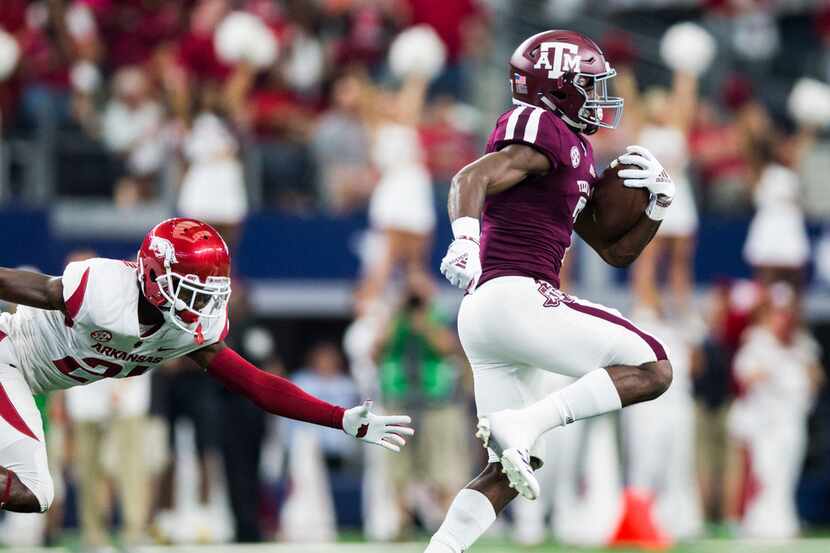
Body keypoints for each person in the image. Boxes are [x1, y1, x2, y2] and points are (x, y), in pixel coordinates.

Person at [427, 30, 676, 553]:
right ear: (556, 87)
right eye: (589, 84)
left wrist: (655, 208)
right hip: (514, 295)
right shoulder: (538, 124)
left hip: (491, 318)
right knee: (653, 366)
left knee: (507, 471)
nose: (601, 95)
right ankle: (529, 420)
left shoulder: (573, 150)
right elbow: (469, 179)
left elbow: (613, 251)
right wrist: (465, 240)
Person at [0, 217, 413, 514]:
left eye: (209, 293)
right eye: (191, 291)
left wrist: (338, 418)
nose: (203, 305)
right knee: (35, 491)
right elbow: (29, 287)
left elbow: (258, 386)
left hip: (29, 378)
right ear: (153, 275)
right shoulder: (104, 290)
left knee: (30, 495)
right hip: (9, 354)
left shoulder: (188, 331)